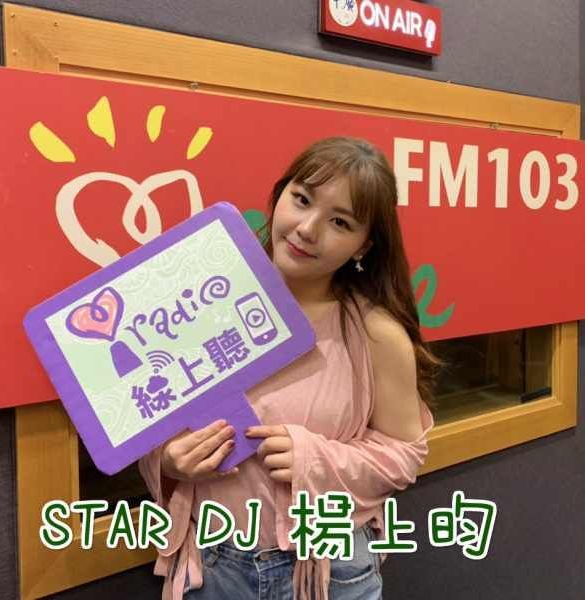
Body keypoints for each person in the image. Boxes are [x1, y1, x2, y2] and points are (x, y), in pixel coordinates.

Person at [139, 136, 441, 600]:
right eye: (301, 199)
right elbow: (143, 418)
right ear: (279, 196)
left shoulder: (377, 333)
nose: (307, 229)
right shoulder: (200, 307)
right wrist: (169, 460)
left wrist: (314, 460)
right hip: (214, 566)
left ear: (363, 246)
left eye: (340, 222)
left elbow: (403, 454)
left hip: (329, 569)